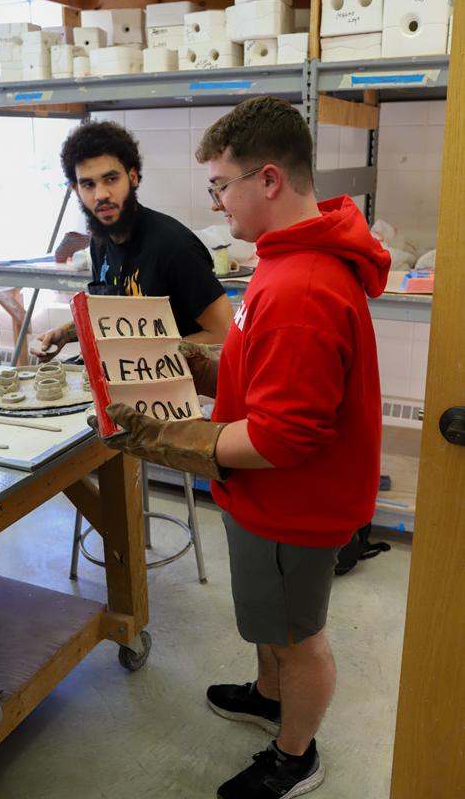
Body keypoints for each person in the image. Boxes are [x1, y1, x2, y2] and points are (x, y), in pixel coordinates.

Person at [94, 96, 391, 798]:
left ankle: (295, 757)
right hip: (266, 498)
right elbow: (269, 368)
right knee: (268, 619)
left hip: (292, 502)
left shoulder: (304, 286)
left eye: (220, 185)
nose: (216, 201)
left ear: (266, 180)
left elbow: (285, 434)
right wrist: (206, 365)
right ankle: (267, 693)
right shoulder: (287, 259)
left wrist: (173, 438)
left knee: (295, 635)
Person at [36, 121, 233, 360]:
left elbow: (223, 332)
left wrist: (147, 356)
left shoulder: (173, 245)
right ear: (76, 189)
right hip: (125, 380)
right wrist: (66, 333)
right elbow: (112, 316)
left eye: (111, 179)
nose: (101, 195)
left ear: (133, 177)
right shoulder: (100, 244)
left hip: (175, 389)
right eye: (88, 184)